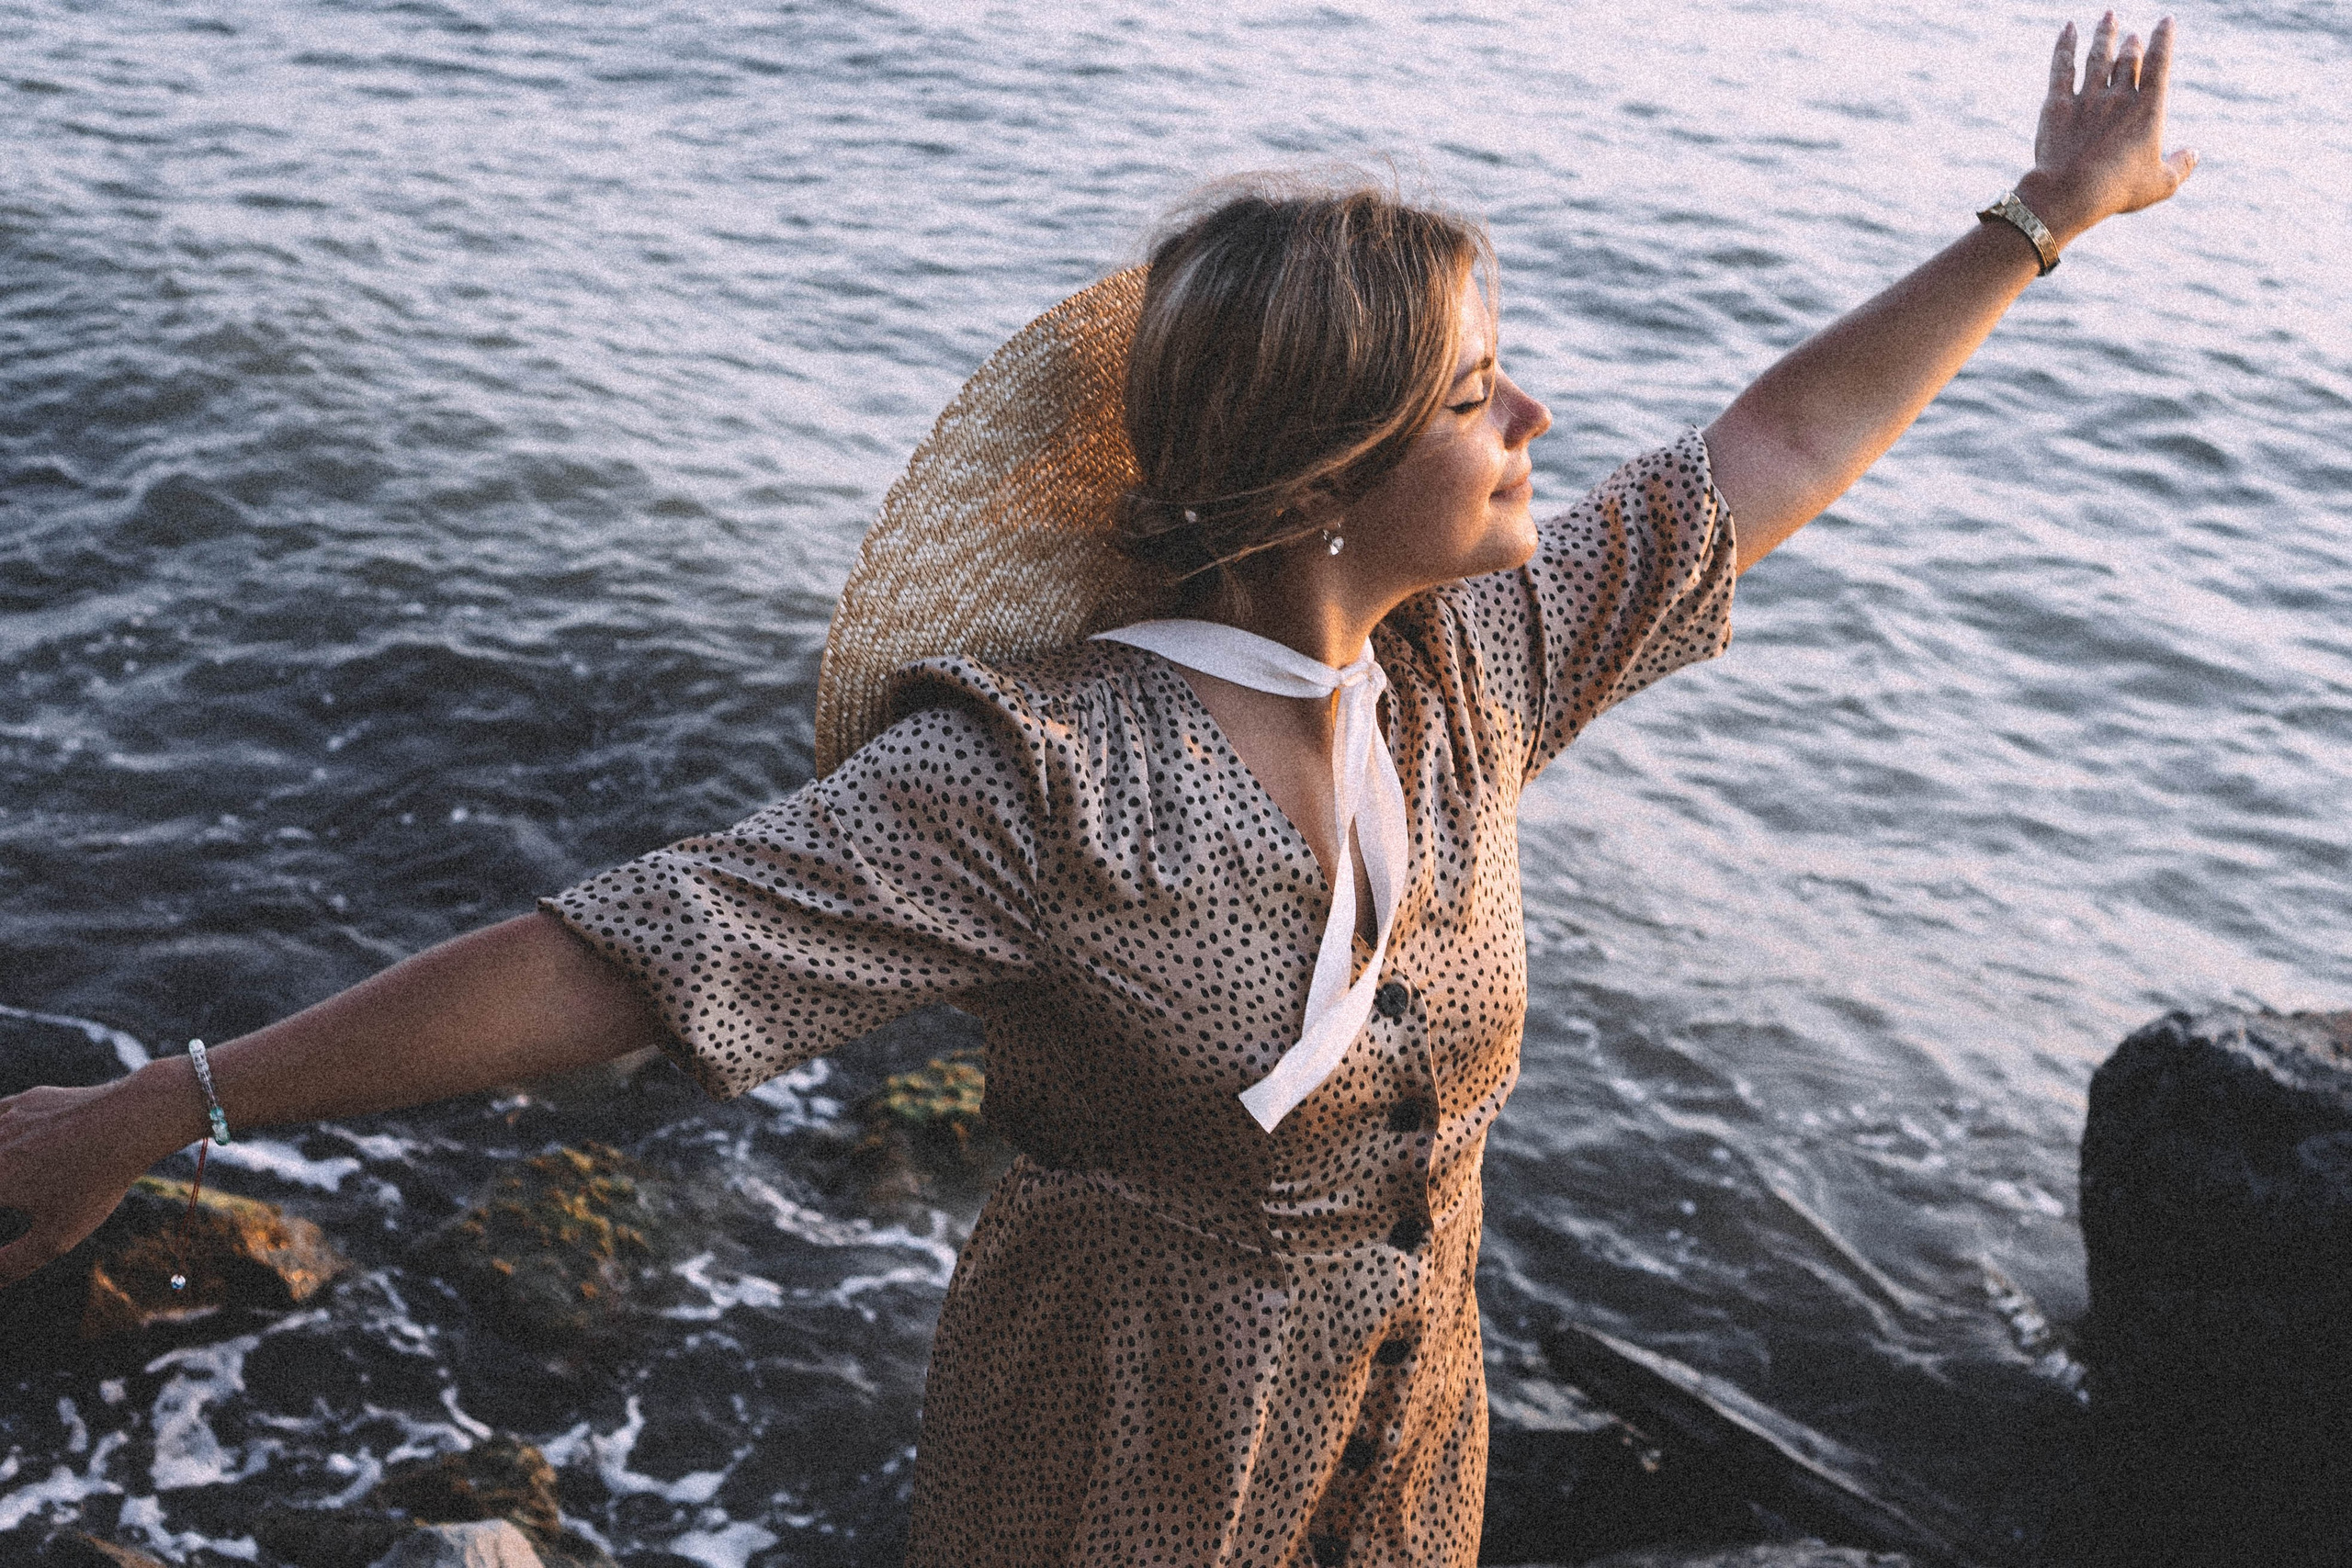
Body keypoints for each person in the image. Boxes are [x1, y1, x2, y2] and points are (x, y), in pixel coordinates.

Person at [0, 15, 2192, 1566]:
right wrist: (157, 1102)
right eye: (1469, 387)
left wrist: (2038, 217)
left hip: (1405, 1401)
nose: (1533, 408)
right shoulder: (1040, 772)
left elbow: (1767, 453)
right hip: (1122, 1428)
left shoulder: (1468, 667)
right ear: (1326, 475)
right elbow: (612, 958)